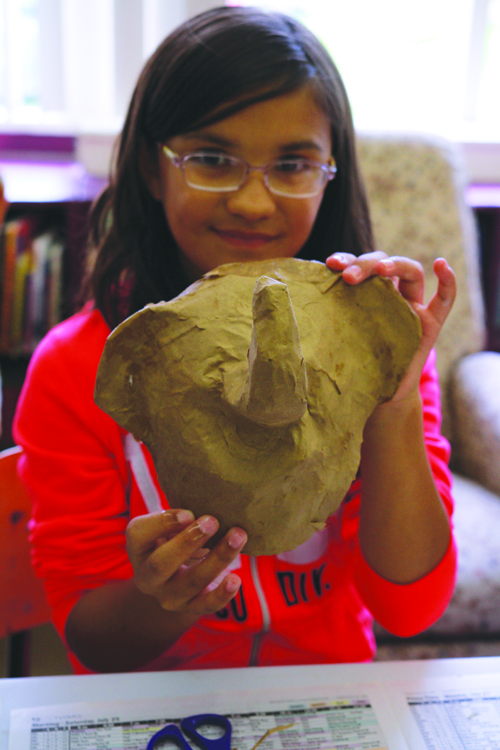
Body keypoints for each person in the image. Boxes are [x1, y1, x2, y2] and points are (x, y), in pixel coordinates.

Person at [13, 5, 457, 674]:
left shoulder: (372, 347)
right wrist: (163, 599)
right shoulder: (76, 368)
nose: (253, 201)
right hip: (158, 710)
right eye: (213, 159)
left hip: (325, 696)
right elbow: (91, 638)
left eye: (293, 164)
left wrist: (390, 404)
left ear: (330, 174)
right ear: (150, 167)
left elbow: (411, 607)